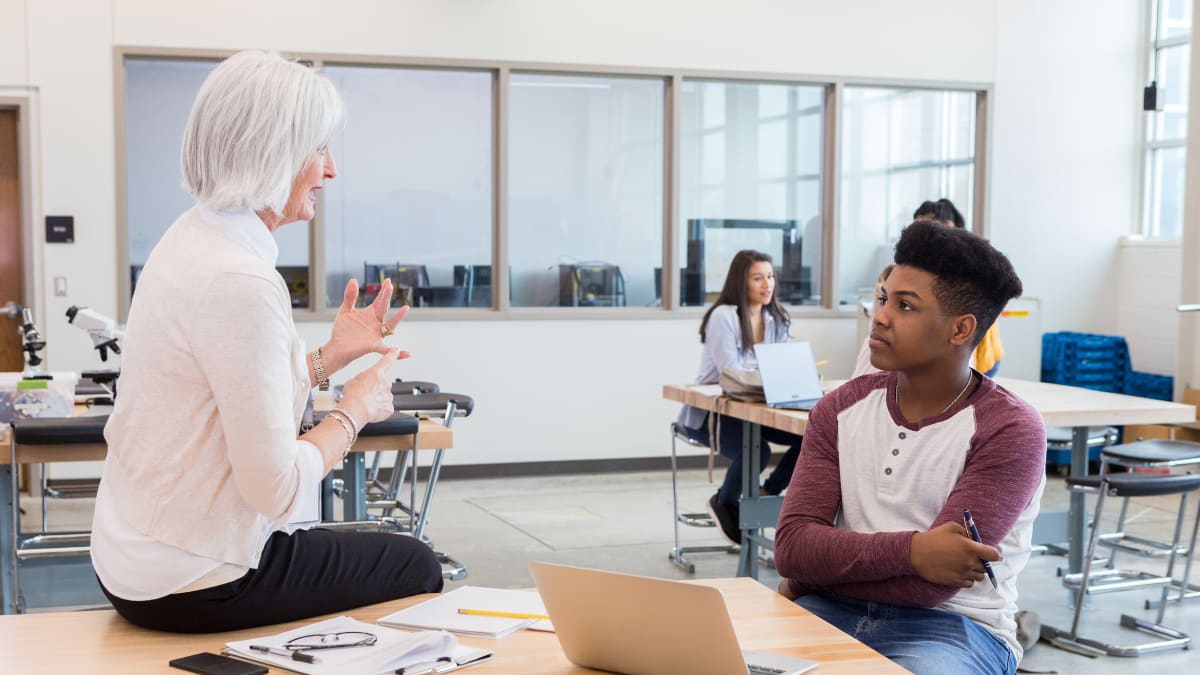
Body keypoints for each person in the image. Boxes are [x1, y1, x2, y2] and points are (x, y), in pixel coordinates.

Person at [90, 50, 443, 633]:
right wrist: (354, 411)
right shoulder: (241, 280)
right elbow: (275, 490)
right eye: (319, 150)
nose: (331, 171)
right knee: (415, 562)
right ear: (273, 153)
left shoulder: (191, 237)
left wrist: (330, 358)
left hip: (133, 557)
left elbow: (230, 390)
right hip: (195, 578)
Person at [774, 221, 1044, 674]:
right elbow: (792, 547)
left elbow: (935, 587)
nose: (879, 316)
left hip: (956, 631)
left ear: (960, 330)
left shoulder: (1009, 429)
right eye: (883, 299)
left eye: (905, 306)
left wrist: (816, 569)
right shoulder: (840, 408)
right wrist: (914, 553)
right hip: (828, 612)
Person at [676, 249, 804, 546]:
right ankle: (724, 501)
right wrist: (770, 374)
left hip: (757, 408)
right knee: (756, 451)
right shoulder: (724, 316)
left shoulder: (777, 318)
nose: (767, 284)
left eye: (770, 277)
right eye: (757, 278)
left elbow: (782, 367)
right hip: (711, 412)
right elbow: (730, 373)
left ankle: (767, 493)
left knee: (811, 435)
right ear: (740, 282)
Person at [914, 198, 1005, 377]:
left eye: (922, 229)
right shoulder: (930, 259)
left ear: (947, 225)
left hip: (976, 351)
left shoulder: (967, 259)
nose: (916, 236)